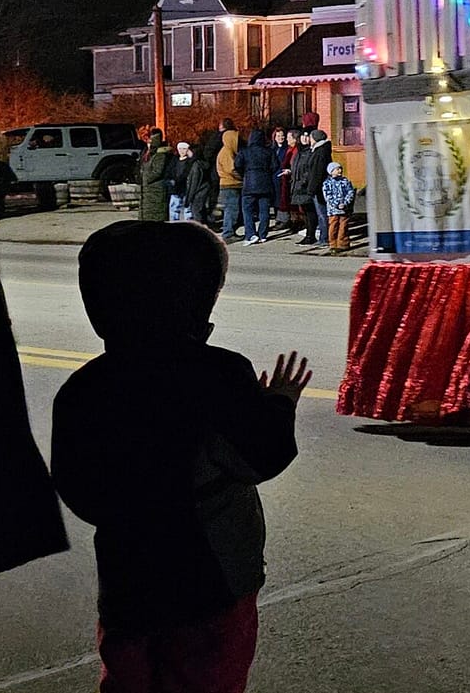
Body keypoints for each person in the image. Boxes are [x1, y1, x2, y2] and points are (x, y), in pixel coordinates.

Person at [50, 221, 308, 693]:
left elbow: (78, 492)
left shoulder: (82, 389)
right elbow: (261, 456)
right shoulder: (218, 373)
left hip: (127, 577)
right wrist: (278, 406)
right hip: (212, 577)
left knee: (128, 680)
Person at [237, 130, 280, 245]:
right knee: (264, 210)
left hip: (249, 183)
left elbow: (237, 165)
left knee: (247, 210)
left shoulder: (244, 151)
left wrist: (245, 174)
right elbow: (275, 166)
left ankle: (251, 234)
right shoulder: (269, 152)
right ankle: (263, 234)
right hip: (266, 183)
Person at [216, 121, 243, 242]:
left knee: (231, 209)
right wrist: (242, 178)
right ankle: (228, 233)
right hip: (230, 184)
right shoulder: (226, 152)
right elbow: (231, 169)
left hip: (229, 184)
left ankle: (229, 231)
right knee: (231, 210)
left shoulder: (227, 151)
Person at [321, 163, 356, 253]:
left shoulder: (345, 181)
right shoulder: (327, 183)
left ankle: (343, 243)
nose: (339, 171)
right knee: (333, 226)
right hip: (333, 210)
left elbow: (350, 192)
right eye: (337, 169)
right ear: (331, 172)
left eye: (340, 169)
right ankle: (333, 244)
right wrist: (337, 204)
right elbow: (328, 196)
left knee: (343, 226)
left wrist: (345, 203)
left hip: (344, 209)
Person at [138, 130, 170, 222]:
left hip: (155, 191)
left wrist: (146, 178)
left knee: (155, 217)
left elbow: (157, 171)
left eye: (149, 142)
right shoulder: (147, 154)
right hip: (147, 191)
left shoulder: (160, 155)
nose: (148, 144)